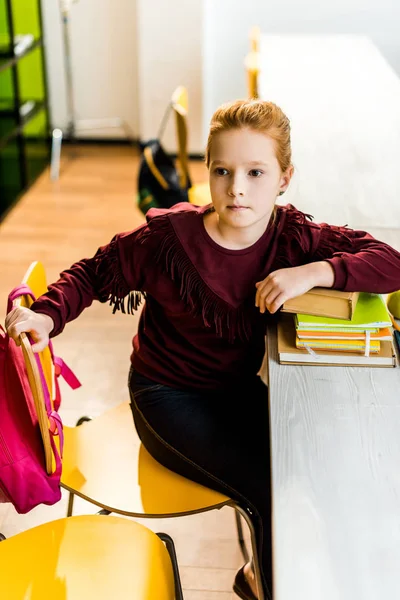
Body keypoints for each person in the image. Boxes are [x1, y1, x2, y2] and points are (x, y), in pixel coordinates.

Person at [6, 99, 400, 600]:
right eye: (223, 171)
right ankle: (266, 585)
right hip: (165, 398)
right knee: (269, 486)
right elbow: (95, 270)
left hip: (232, 391)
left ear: (284, 178)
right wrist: (47, 311)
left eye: (256, 172)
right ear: (207, 172)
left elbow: (389, 261)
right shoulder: (168, 240)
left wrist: (316, 272)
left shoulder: (292, 239)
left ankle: (291, 574)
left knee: (309, 463)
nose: (237, 188)